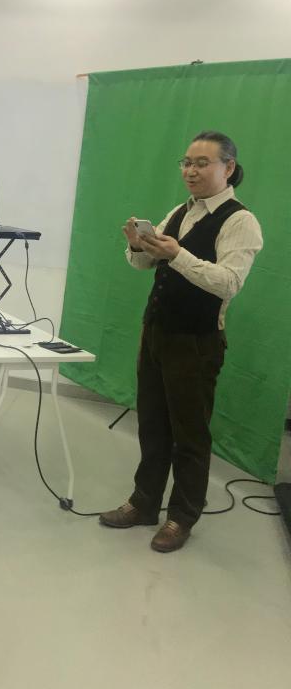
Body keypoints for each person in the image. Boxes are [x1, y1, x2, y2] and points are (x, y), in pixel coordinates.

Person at [100, 130, 263, 553]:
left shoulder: (240, 221)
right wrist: (138, 247)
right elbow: (145, 265)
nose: (191, 170)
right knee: (152, 424)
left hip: (196, 341)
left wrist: (177, 254)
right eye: (187, 162)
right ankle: (144, 502)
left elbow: (229, 282)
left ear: (228, 167)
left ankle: (182, 516)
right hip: (156, 333)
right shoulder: (178, 211)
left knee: (189, 433)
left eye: (202, 163)